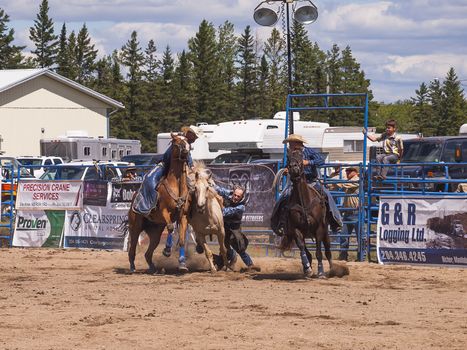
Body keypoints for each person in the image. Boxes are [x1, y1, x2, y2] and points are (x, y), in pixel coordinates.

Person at [271, 134, 343, 237]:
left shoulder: (309, 151)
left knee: (327, 195)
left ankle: (335, 221)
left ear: (298, 143)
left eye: (292, 142)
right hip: (295, 183)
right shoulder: (289, 154)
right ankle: (279, 223)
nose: (290, 145)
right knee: (283, 198)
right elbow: (284, 164)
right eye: (289, 143)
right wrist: (286, 169)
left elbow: (320, 161)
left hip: (311, 182)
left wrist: (308, 162)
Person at [132, 126, 200, 216]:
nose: (195, 138)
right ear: (190, 134)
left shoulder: (186, 143)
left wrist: (191, 166)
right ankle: (148, 205)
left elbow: (188, 157)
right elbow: (172, 156)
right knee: (149, 179)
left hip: (181, 168)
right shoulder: (180, 139)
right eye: (194, 136)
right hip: (165, 164)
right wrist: (190, 165)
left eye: (195, 137)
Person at [208, 185, 260, 272]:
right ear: (233, 193)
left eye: (238, 196)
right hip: (224, 227)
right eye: (235, 195)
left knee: (239, 248)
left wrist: (220, 203)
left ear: (242, 197)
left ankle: (250, 265)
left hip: (234, 229)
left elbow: (224, 213)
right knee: (224, 248)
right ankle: (227, 259)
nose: (235, 197)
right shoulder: (229, 194)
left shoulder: (241, 207)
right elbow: (218, 189)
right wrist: (208, 185)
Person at [328, 166, 360, 261]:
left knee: (360, 236)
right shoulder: (349, 181)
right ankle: (343, 256)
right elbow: (338, 185)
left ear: (355, 172)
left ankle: (361, 257)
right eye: (346, 171)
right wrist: (328, 184)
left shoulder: (357, 180)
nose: (347, 172)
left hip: (356, 212)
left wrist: (330, 182)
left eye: (350, 171)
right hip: (348, 212)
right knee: (343, 235)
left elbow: (343, 185)